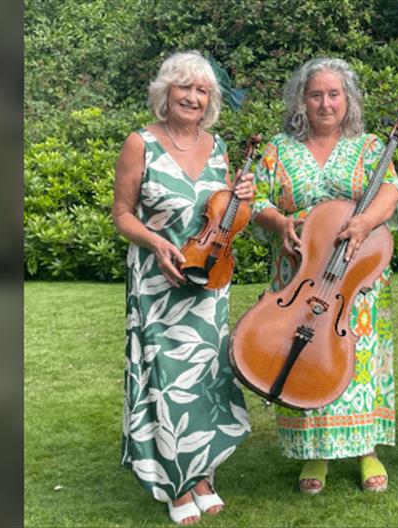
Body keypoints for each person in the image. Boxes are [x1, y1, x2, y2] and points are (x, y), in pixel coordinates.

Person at [112, 51, 254, 524]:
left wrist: (242, 197)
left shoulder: (217, 147)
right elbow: (122, 215)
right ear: (165, 93)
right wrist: (155, 243)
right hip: (157, 281)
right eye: (184, 88)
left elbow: (225, 214)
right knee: (165, 379)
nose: (192, 97)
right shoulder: (141, 144)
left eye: (202, 90)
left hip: (209, 280)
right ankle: (174, 483)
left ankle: (202, 475)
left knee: (205, 379)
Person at [250, 57, 398, 494]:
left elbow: (392, 190)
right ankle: (313, 453)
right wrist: (279, 222)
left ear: (347, 99)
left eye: (334, 94)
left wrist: (364, 221)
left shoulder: (371, 145)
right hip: (298, 271)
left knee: (359, 355)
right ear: (302, 99)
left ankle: (366, 449)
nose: (325, 103)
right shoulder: (278, 148)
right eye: (316, 94)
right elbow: (255, 199)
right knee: (300, 353)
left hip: (353, 270)